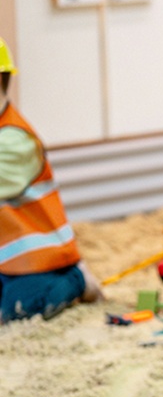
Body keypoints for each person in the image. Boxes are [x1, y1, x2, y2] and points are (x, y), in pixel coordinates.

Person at [0, 37, 102, 323]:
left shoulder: (14, 140)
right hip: (6, 262)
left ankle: (77, 281)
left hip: (41, 262)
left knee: (19, 310)